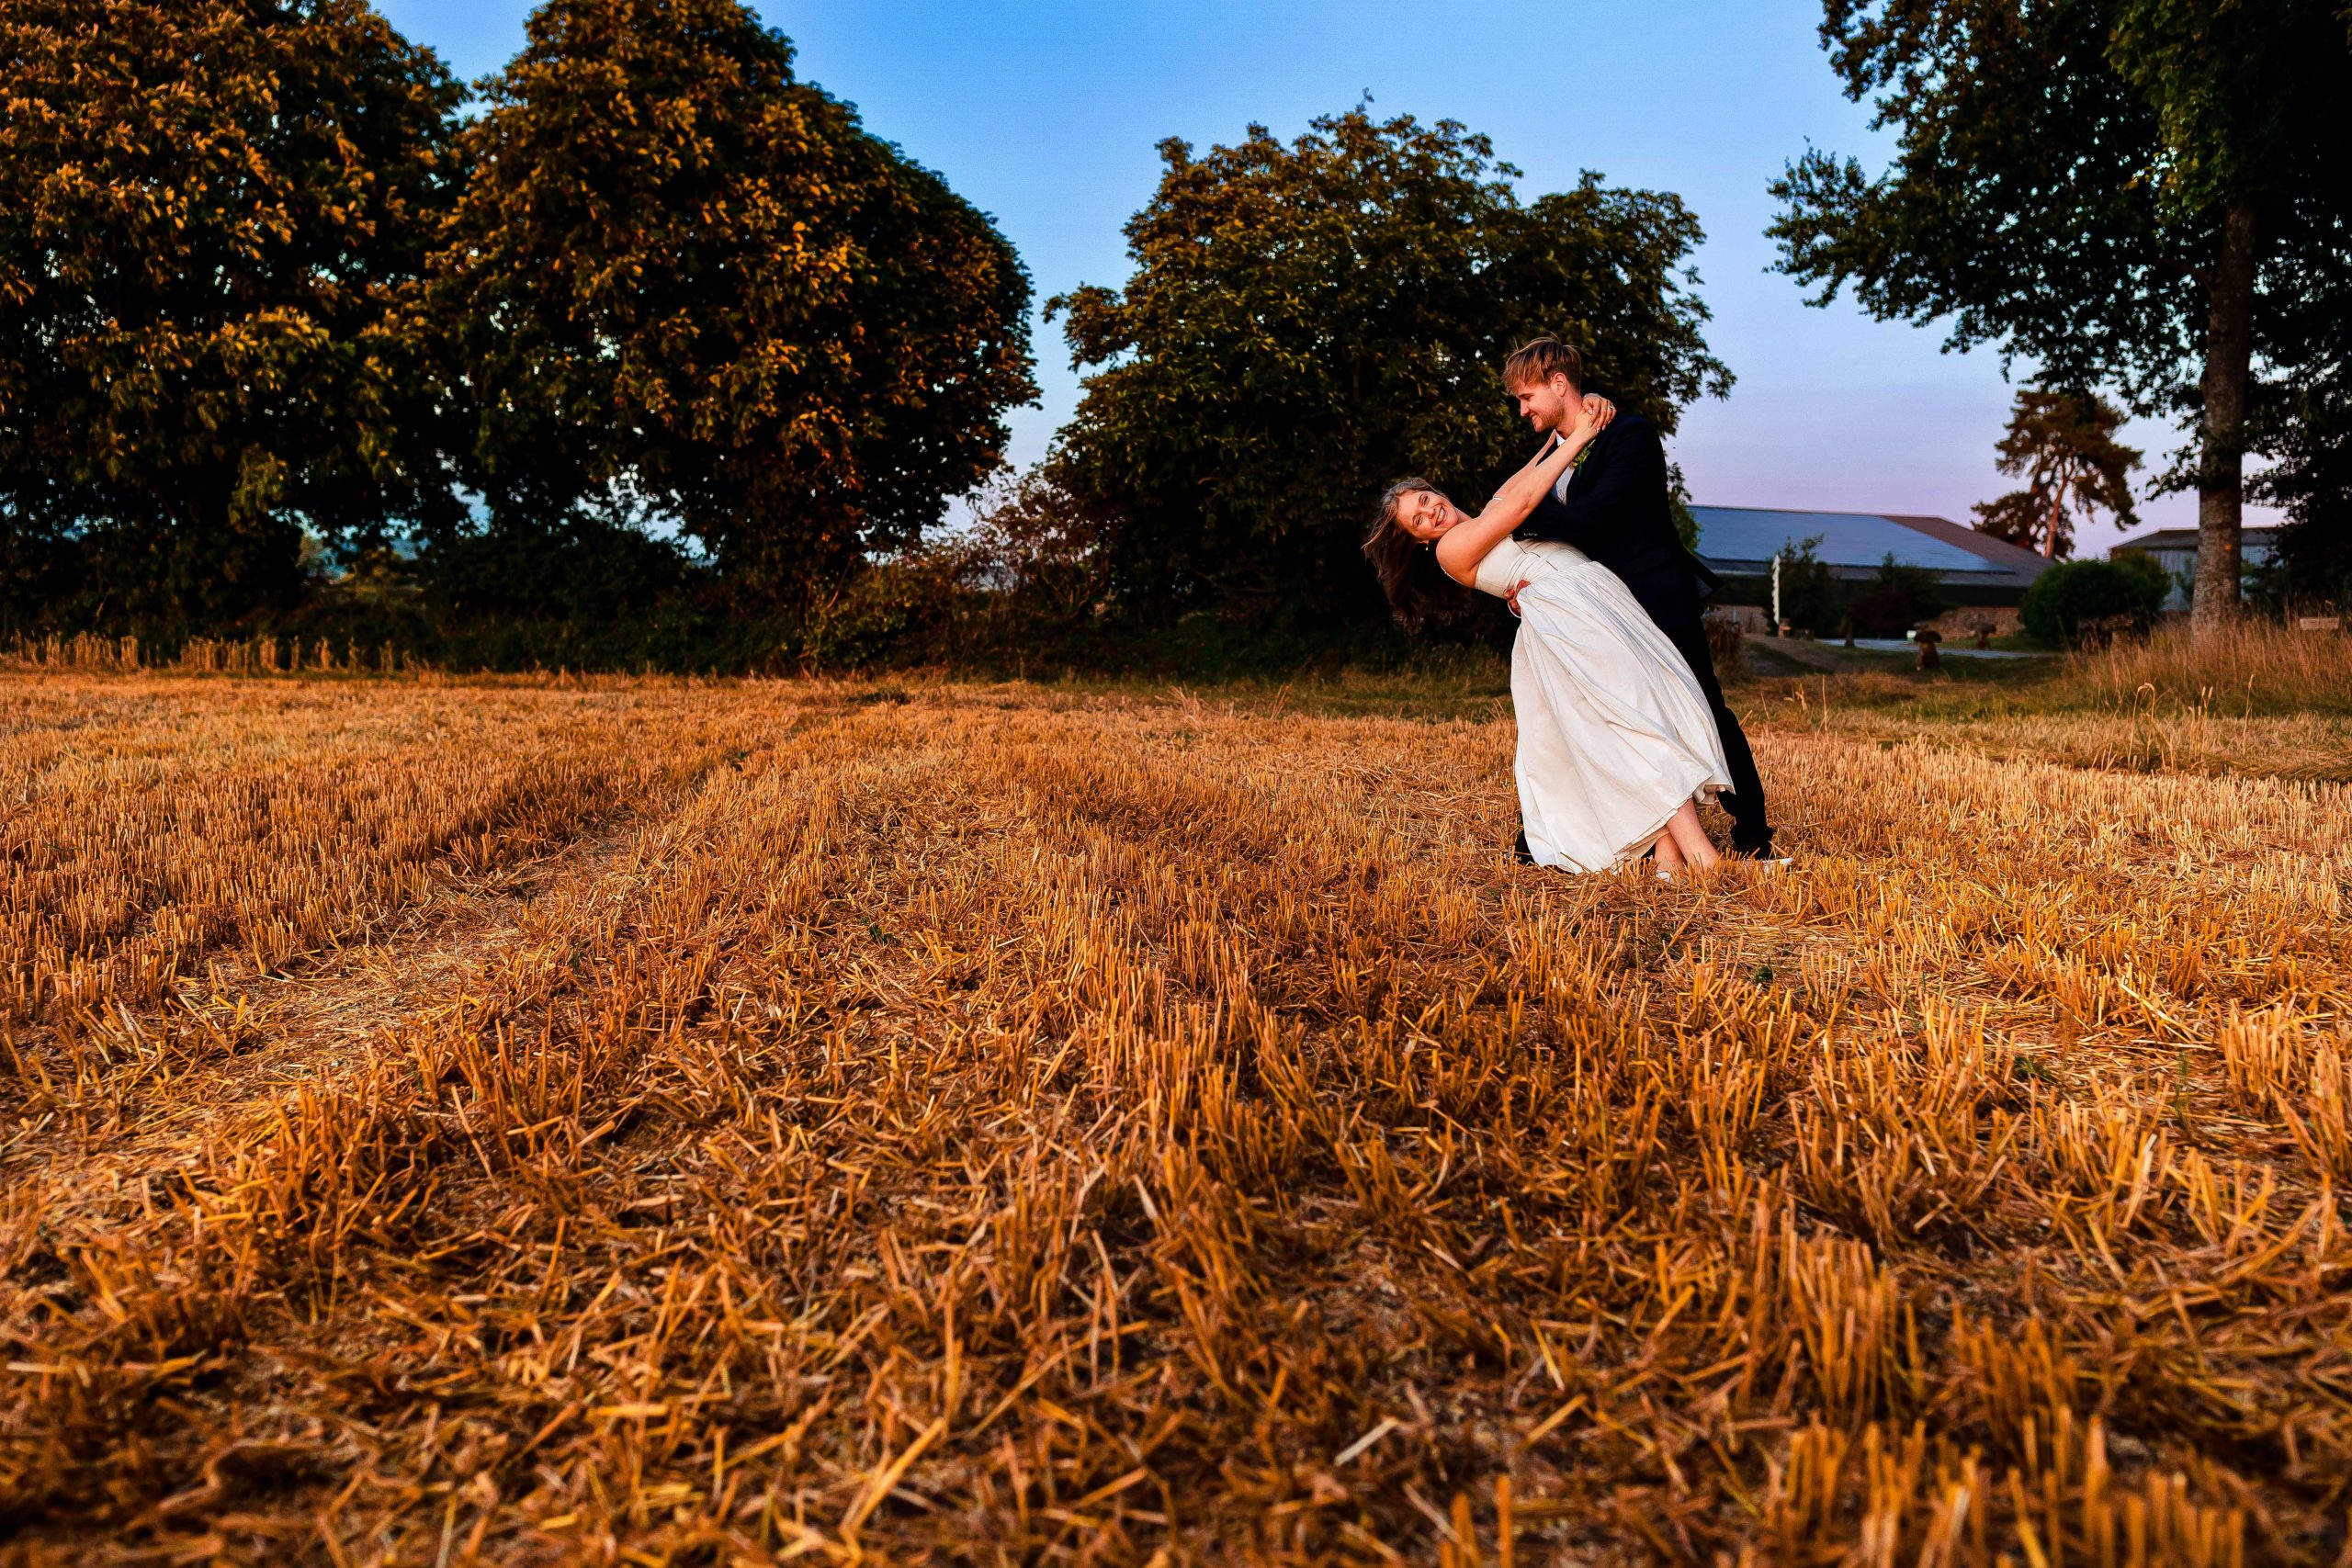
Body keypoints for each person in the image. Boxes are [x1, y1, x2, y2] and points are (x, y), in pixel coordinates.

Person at [1363, 394, 1732, 874]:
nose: (1431, 511)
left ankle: (1669, 859)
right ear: (1416, 538)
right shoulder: (1450, 550)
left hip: (1597, 599)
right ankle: (1705, 858)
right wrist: (1580, 436)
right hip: (1569, 618)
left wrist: (1577, 421)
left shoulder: (1484, 515)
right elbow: (1522, 500)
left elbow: (1531, 470)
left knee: (1653, 710)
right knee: (1634, 722)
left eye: (1427, 498)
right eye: (1418, 517)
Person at [1501, 338, 1775, 861]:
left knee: (1705, 709)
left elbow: (1594, 519)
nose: (1523, 410)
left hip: (1655, 599)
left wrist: (1518, 516)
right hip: (1597, 610)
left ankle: (1753, 834)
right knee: (1591, 718)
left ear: (1559, 383)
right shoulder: (1555, 455)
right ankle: (1569, 834)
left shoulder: (1630, 434)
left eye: (1528, 395)